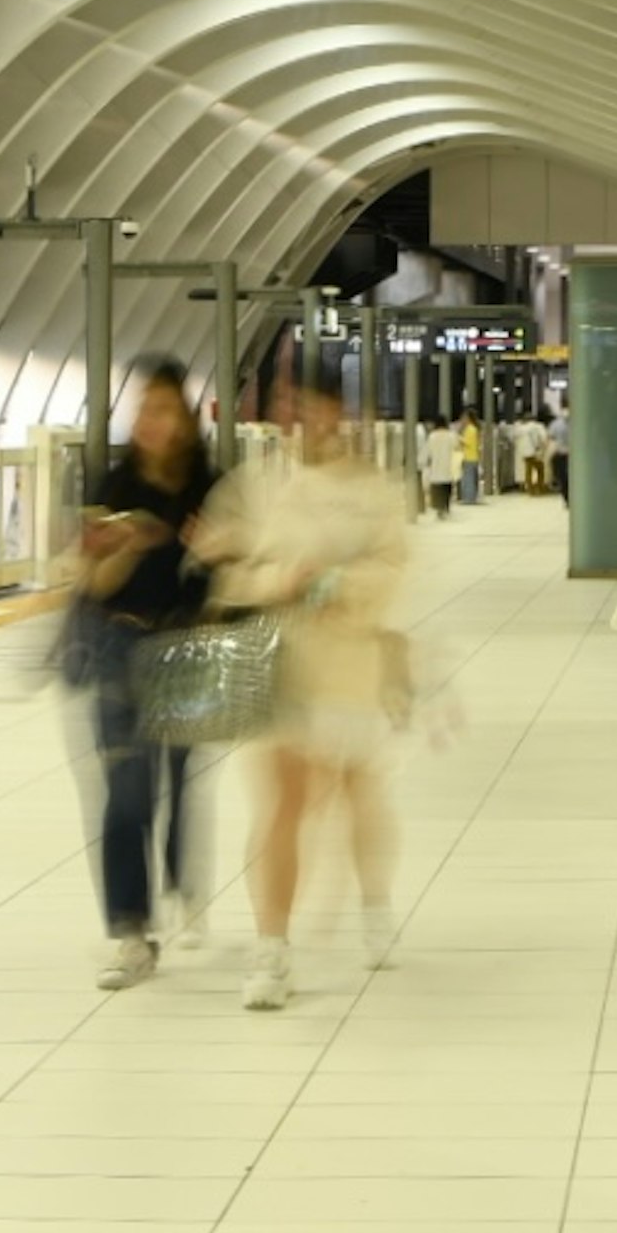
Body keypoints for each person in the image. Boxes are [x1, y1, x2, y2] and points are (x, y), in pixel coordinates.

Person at [197, 371, 413, 1011]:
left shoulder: (374, 491)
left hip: (348, 669)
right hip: (277, 666)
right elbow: (225, 569)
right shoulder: (257, 484)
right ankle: (272, 946)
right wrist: (275, 581)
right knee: (282, 802)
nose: (304, 422)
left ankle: (375, 902)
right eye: (292, 410)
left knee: (355, 789)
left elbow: (392, 570)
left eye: (316, 409)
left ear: (339, 414)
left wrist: (328, 584)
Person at [75, 358, 216, 992]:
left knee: (179, 779)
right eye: (142, 409)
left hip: (184, 649)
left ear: (184, 417)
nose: (149, 421)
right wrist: (121, 546)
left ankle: (182, 878)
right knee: (126, 791)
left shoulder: (207, 485)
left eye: (161, 409)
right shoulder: (114, 481)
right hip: (118, 646)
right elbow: (92, 583)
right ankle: (131, 931)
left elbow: (226, 580)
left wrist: (217, 548)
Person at [419, 412, 459, 520]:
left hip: (436, 467)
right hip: (448, 467)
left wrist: (421, 462)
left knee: (437, 489)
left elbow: (426, 452)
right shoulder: (451, 435)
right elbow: (457, 447)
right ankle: (445, 508)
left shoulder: (432, 436)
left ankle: (439, 509)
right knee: (446, 489)